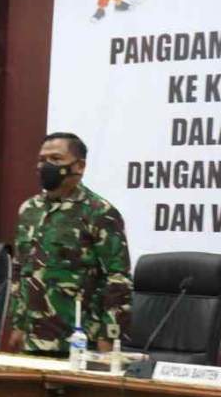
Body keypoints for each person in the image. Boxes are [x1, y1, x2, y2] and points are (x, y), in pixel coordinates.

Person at [7, 132, 132, 356]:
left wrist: (108, 336)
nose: (45, 166)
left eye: (55, 159)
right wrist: (17, 323)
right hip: (32, 338)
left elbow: (117, 279)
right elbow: (20, 270)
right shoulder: (29, 210)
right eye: (42, 160)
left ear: (79, 166)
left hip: (79, 341)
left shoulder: (99, 212)